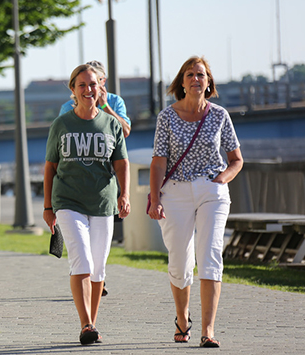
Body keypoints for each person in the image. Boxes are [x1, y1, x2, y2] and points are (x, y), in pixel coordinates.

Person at [148, 56, 243, 348]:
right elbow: (158, 163)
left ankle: (208, 330)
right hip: (175, 192)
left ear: (208, 82)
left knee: (211, 255)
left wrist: (222, 179)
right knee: (180, 261)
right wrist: (154, 200)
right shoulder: (167, 116)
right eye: (189, 74)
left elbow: (236, 160)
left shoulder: (219, 115)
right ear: (182, 82)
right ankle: (181, 316)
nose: (195, 79)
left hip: (211, 190)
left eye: (200, 74)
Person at [43, 64, 130, 345]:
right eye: (81, 85)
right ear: (73, 90)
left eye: (92, 84)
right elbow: (50, 166)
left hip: (103, 202)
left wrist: (124, 195)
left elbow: (122, 163)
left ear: (100, 87)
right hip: (68, 201)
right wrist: (47, 206)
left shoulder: (111, 123)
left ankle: (92, 323)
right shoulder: (62, 124)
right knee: (80, 257)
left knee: (98, 267)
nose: (88, 89)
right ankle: (86, 324)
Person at [59, 60, 131, 138]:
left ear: (103, 81)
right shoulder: (67, 108)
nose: (88, 89)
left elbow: (125, 132)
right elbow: (59, 139)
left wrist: (105, 105)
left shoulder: (115, 101)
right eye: (84, 84)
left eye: (95, 82)